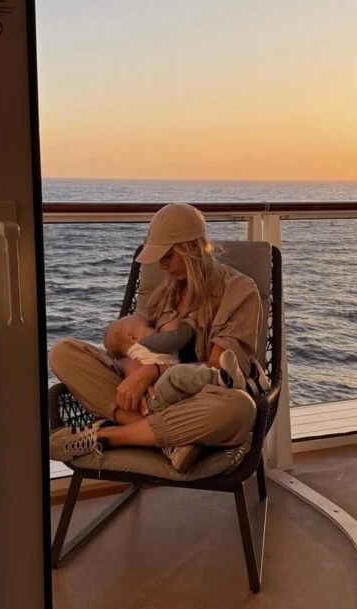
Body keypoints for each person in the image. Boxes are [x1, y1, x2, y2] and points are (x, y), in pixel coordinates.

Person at [49, 202, 260, 474]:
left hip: (196, 403)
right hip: (151, 404)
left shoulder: (239, 291)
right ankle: (171, 442)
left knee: (239, 409)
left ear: (192, 249)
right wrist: (135, 371)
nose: (162, 265)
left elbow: (218, 370)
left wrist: (154, 371)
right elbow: (131, 349)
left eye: (168, 256)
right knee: (63, 352)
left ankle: (108, 436)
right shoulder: (165, 291)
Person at [102, 312, 248, 412]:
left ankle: (242, 380)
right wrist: (190, 320)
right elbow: (177, 338)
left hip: (156, 396)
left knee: (181, 374)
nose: (156, 329)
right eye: (149, 326)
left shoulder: (133, 354)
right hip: (158, 392)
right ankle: (222, 378)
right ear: (133, 338)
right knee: (177, 374)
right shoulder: (147, 342)